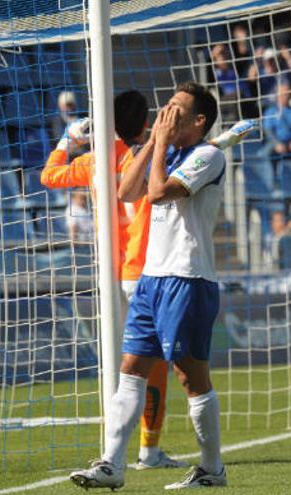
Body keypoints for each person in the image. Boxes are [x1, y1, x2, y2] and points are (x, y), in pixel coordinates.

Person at [70, 82, 227, 490]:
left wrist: (157, 145)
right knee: (130, 371)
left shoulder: (208, 155)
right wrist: (157, 141)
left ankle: (212, 469)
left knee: (191, 378)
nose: (166, 114)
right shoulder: (167, 150)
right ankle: (112, 464)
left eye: (177, 109)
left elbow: (157, 193)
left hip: (187, 278)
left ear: (199, 121)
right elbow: (126, 190)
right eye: (166, 106)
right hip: (151, 279)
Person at [41, 90, 187, 470]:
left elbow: (49, 176)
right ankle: (148, 450)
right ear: (143, 123)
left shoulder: (92, 160)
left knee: (127, 363)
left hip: (109, 274)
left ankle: (123, 452)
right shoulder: (146, 158)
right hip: (142, 269)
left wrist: (66, 141)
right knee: (152, 366)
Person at [263, 82, 291, 157]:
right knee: (265, 153)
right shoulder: (270, 112)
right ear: (277, 95)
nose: (285, 96)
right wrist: (277, 143)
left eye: (287, 94)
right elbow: (268, 130)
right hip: (276, 143)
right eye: (283, 94)